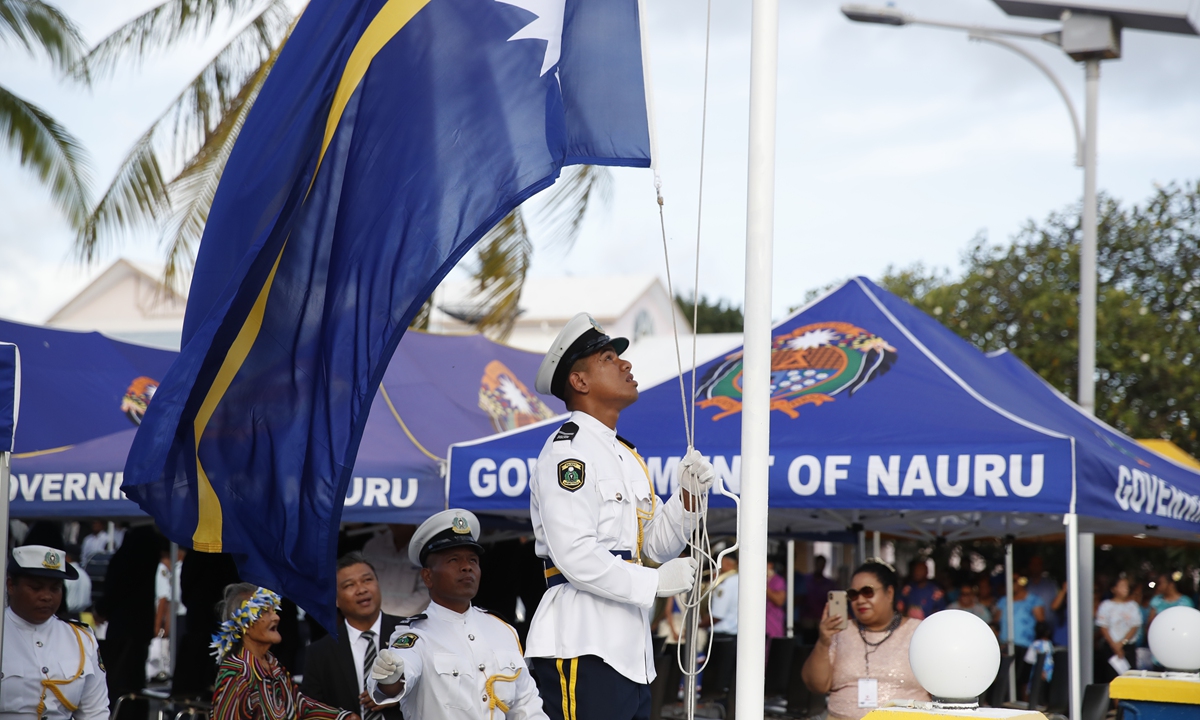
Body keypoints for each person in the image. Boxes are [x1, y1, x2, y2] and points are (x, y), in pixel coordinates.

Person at [522, 313, 715, 720]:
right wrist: (655, 581)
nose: (626, 364)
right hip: (581, 640)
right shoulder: (567, 452)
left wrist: (688, 497)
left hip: (629, 646)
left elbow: (654, 546)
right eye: (609, 358)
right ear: (579, 381)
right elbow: (575, 556)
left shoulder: (626, 456)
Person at [367, 509, 548, 720]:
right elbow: (397, 678)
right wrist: (391, 677)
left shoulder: (503, 630)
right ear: (427, 576)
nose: (466, 568)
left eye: (472, 560)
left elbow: (526, 706)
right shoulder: (414, 635)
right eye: (453, 560)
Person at [801, 559, 929, 720]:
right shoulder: (839, 631)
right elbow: (816, 685)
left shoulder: (918, 632)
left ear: (889, 593)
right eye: (853, 595)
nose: (860, 600)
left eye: (867, 592)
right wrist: (823, 642)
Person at [210, 583, 356, 720]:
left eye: (274, 610)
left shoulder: (273, 665)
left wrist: (342, 717)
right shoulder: (237, 674)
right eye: (265, 612)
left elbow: (299, 706)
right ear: (244, 625)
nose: (276, 617)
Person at [1, 545, 110, 720]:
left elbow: (95, 713)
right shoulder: (2, 632)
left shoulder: (81, 638)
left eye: (55, 588)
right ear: (11, 585)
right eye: (36, 588)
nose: (47, 596)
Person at [302, 553, 405, 720]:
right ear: (335, 599)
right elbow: (310, 709)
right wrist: (341, 717)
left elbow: (438, 685)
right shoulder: (319, 653)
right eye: (350, 585)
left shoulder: (409, 633)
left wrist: (399, 692)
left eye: (367, 580)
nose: (362, 589)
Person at [360, 525, 430, 618]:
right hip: (371, 618)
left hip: (408, 622)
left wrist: (393, 617)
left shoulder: (424, 548)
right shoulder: (373, 546)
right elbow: (361, 582)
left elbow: (426, 591)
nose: (397, 525)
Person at [996, 576, 1046, 700]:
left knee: (1023, 679)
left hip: (1025, 645)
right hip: (1006, 645)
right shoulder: (1004, 601)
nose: (1011, 584)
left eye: (1014, 581)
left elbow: (1041, 624)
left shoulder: (1034, 600)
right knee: (1005, 679)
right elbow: (996, 622)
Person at [700, 552, 738, 707]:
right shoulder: (742, 580)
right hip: (734, 635)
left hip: (722, 636)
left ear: (728, 563)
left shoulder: (726, 583)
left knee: (717, 679)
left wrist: (698, 625)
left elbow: (717, 615)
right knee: (729, 677)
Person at [1095, 576, 1142, 681]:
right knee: (1111, 677)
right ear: (1114, 589)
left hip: (1127, 647)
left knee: (1129, 677)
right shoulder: (1106, 605)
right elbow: (1103, 627)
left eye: (1126, 586)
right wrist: (1114, 645)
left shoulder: (1132, 605)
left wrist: (1122, 643)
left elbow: (1135, 626)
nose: (1125, 589)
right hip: (1111, 647)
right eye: (1122, 586)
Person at [799, 555, 836, 644]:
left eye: (822, 564)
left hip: (821, 621)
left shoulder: (829, 584)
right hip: (807, 621)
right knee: (807, 645)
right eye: (818, 564)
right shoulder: (805, 580)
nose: (820, 566)